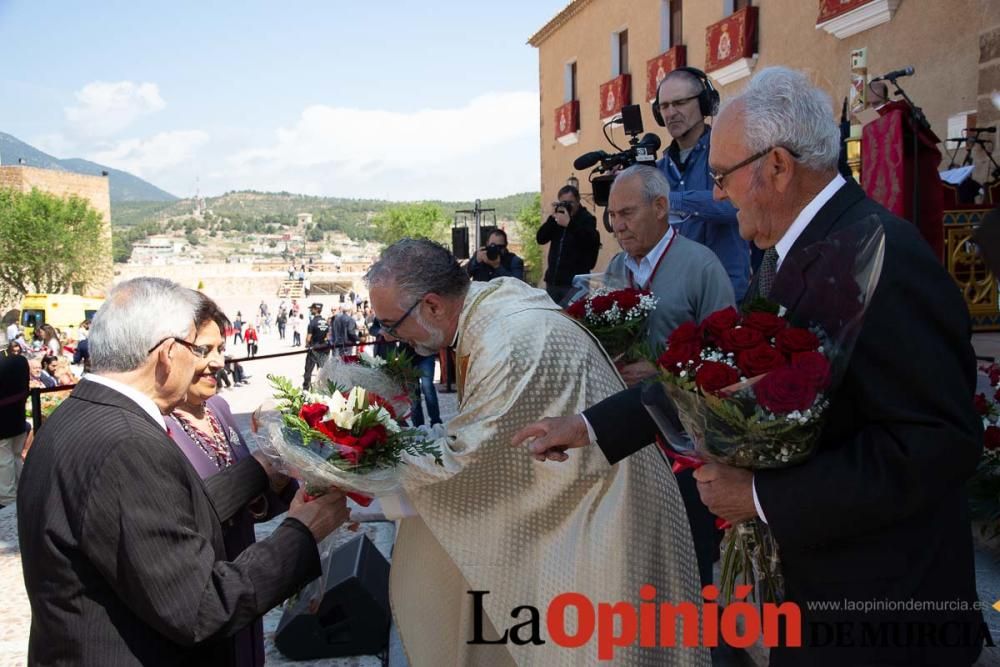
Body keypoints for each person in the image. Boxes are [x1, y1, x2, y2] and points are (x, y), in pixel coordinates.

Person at [522, 67, 988, 666]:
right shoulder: (791, 252)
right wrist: (588, 427)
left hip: (884, 612)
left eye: (722, 177)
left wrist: (763, 497)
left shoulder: (885, 258)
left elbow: (938, 445)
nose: (716, 195)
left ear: (777, 167)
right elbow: (712, 377)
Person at [366, 239, 706, 666]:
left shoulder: (507, 343)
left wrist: (361, 462)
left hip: (608, 516)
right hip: (588, 496)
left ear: (432, 305)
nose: (389, 336)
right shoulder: (487, 309)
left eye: (391, 325)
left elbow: (466, 462)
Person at [17, 277, 349, 666]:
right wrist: (303, 534)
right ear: (168, 353)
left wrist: (260, 471)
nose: (213, 362)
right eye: (198, 349)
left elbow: (159, 521)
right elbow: (203, 607)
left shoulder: (80, 415)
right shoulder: (126, 443)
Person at [166, 298, 296, 667]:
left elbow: (251, 494)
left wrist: (288, 469)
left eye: (221, 348)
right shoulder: (158, 428)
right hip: (203, 589)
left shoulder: (219, 408)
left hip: (244, 572)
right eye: (204, 350)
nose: (219, 362)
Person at [653, 67, 751, 300]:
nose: (671, 112)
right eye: (664, 106)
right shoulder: (657, 169)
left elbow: (736, 205)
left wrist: (673, 200)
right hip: (674, 298)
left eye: (680, 102)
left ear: (705, 104)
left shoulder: (729, 152)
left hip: (726, 296)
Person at [536, 184, 601, 303]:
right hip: (554, 281)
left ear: (578, 202)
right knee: (554, 318)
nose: (567, 206)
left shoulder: (587, 219)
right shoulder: (557, 219)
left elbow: (589, 241)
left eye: (570, 203)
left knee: (573, 317)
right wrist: (552, 217)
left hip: (576, 283)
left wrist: (569, 224)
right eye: (563, 203)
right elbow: (541, 238)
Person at [0, 351, 29, 508]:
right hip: (18, 420)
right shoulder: (20, 362)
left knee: (4, 463)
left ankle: (8, 503)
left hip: (3, 426)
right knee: (16, 459)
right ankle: (22, 493)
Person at [399, 343, 441, 427]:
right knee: (413, 392)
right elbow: (374, 329)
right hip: (407, 355)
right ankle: (418, 425)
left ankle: (436, 422)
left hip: (426, 352)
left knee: (428, 387)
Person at [302, 302, 330, 390]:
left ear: (316, 309)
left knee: (308, 370)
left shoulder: (312, 322)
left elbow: (308, 338)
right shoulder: (326, 322)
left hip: (314, 349)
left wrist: (307, 344)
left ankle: (306, 389)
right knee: (323, 370)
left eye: (312, 309)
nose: (310, 310)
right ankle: (323, 388)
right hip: (324, 349)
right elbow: (327, 336)